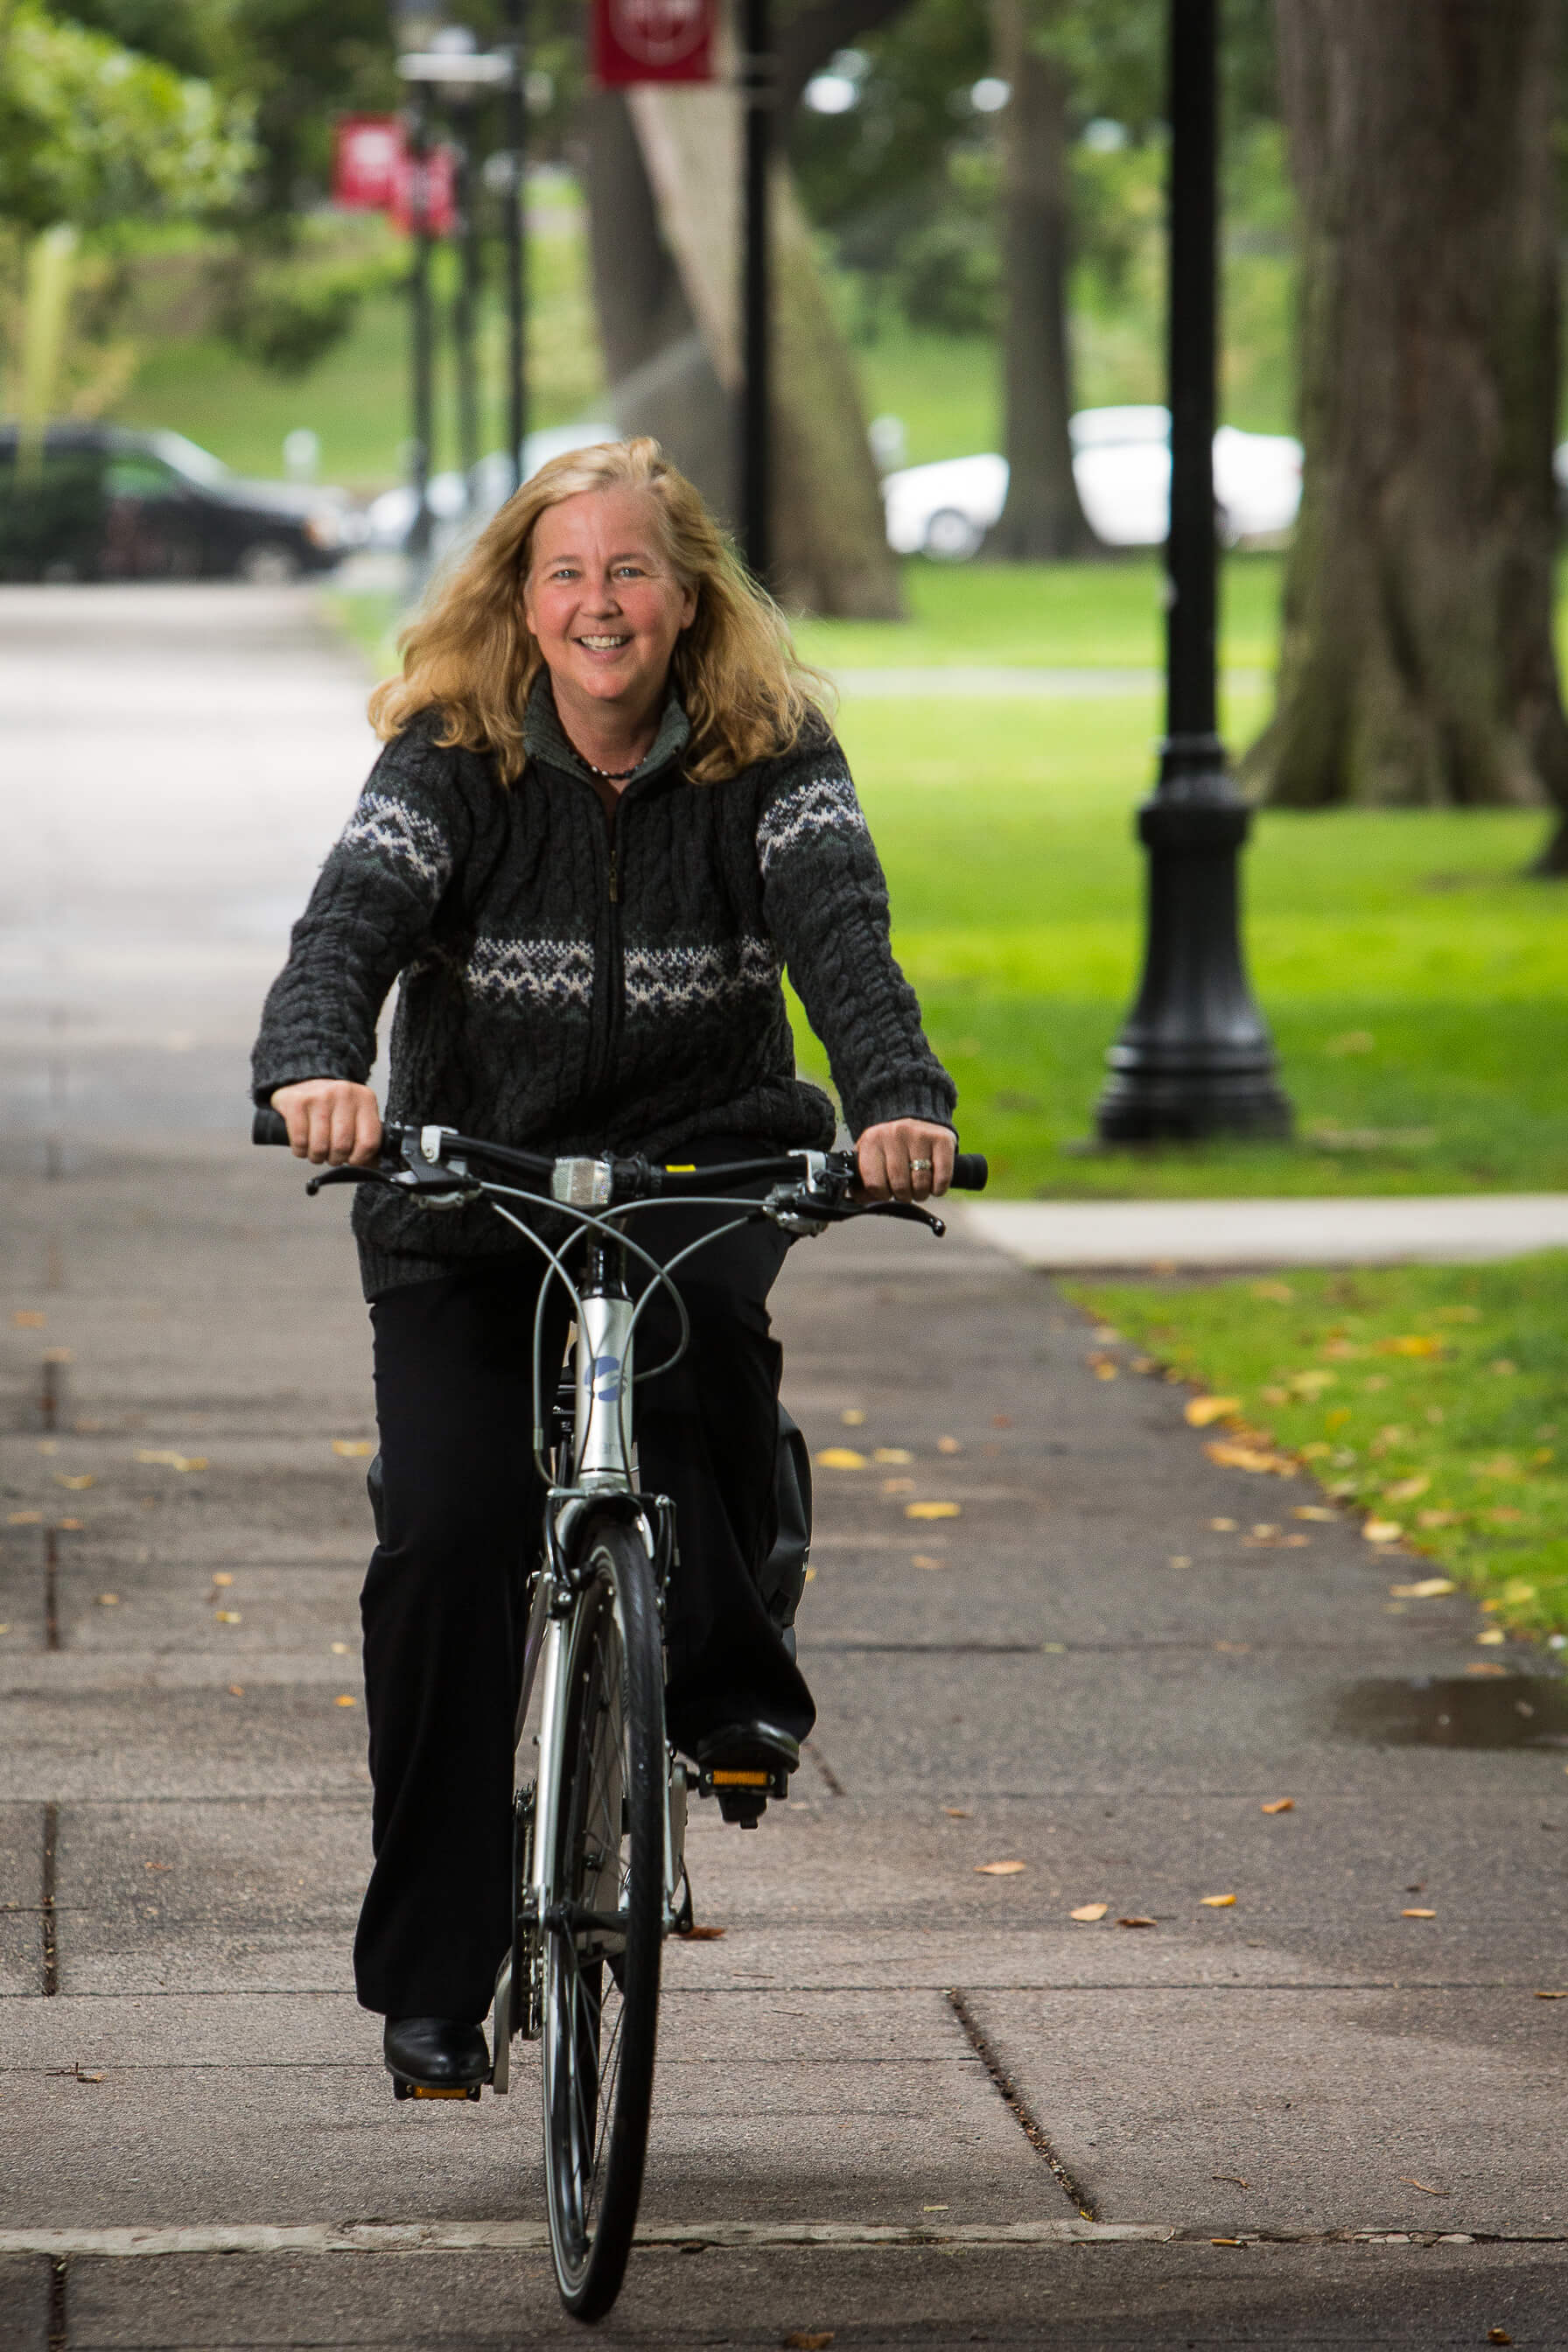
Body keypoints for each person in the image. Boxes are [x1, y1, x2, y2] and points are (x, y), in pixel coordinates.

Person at [251, 438, 957, 2094]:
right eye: (564, 574)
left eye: (629, 570)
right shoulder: (452, 757)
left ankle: (723, 1661)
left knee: (696, 1334)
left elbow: (845, 938)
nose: (598, 604)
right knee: (445, 1533)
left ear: (688, 591)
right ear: (520, 598)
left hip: (697, 1157)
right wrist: (314, 1071)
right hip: (469, 1189)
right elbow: (344, 930)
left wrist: (898, 1104)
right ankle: (433, 1978)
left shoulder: (770, 753)